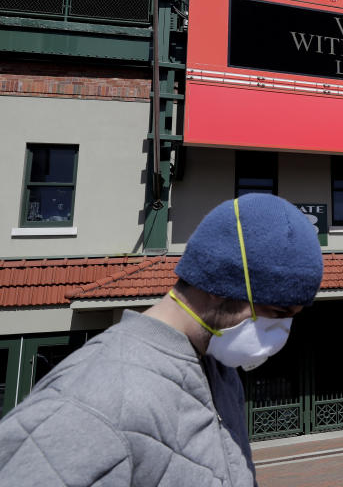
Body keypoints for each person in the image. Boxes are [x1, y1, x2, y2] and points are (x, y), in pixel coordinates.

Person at [0, 193, 324, 486]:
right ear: (217, 283)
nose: (282, 330)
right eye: (277, 312)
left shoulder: (220, 370)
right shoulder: (85, 406)